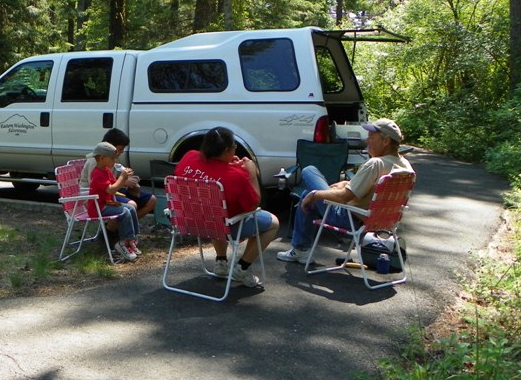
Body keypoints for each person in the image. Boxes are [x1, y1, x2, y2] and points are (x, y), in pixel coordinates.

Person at [277, 118, 414, 264]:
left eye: (372, 138)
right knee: (309, 194)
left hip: (347, 217)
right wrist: (347, 183)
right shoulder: (404, 166)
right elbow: (374, 188)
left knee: (309, 173)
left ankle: (300, 250)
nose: (367, 141)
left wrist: (314, 195)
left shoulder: (375, 164)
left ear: (386, 141)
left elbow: (343, 197)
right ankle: (300, 250)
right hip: (379, 220)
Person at [174, 127, 279, 287]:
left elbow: (211, 170)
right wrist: (251, 173)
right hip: (223, 227)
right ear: (226, 150)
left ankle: (221, 262)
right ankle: (242, 267)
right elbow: (253, 205)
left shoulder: (188, 157)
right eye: (234, 147)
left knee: (211, 209)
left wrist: (229, 164)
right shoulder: (237, 176)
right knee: (273, 223)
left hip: (189, 222)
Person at [79, 128, 157, 220]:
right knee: (131, 205)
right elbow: (101, 188)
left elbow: (114, 178)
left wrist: (129, 180)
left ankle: (120, 229)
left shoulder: (109, 159)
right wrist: (123, 181)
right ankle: (112, 231)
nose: (121, 153)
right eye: (120, 149)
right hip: (98, 199)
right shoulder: (96, 162)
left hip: (111, 193)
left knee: (151, 200)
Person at [87, 141, 142, 262]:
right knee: (124, 212)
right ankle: (122, 244)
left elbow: (115, 183)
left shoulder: (106, 170)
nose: (115, 161)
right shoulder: (97, 173)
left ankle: (131, 239)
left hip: (106, 204)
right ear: (101, 158)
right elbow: (111, 190)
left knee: (131, 208)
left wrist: (125, 177)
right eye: (112, 158)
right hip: (98, 207)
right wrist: (122, 177)